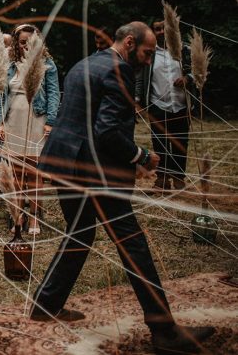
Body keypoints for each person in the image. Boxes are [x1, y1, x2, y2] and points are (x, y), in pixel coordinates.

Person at [30, 22, 214, 355]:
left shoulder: (84, 63)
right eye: (146, 52)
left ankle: (45, 306)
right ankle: (165, 331)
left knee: (79, 234)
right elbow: (107, 132)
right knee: (133, 243)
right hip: (92, 171)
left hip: (63, 161)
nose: (147, 60)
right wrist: (142, 155)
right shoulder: (118, 69)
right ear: (129, 42)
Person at [0, 24, 60, 235]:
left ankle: (33, 219)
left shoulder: (47, 64)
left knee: (33, 173)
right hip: (13, 120)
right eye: (22, 43)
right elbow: (1, 96)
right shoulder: (10, 65)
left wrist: (51, 121)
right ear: (16, 43)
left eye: (30, 43)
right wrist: (0, 122)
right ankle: (17, 216)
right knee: (14, 174)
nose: (26, 46)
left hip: (36, 121)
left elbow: (54, 95)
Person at [135, 18, 194, 191]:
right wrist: (137, 101)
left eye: (163, 28)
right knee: (160, 145)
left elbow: (197, 72)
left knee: (180, 143)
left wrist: (187, 79)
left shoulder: (184, 50)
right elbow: (140, 79)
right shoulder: (149, 53)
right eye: (157, 29)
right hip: (157, 106)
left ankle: (179, 178)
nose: (161, 32)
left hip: (181, 105)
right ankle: (162, 179)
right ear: (152, 32)